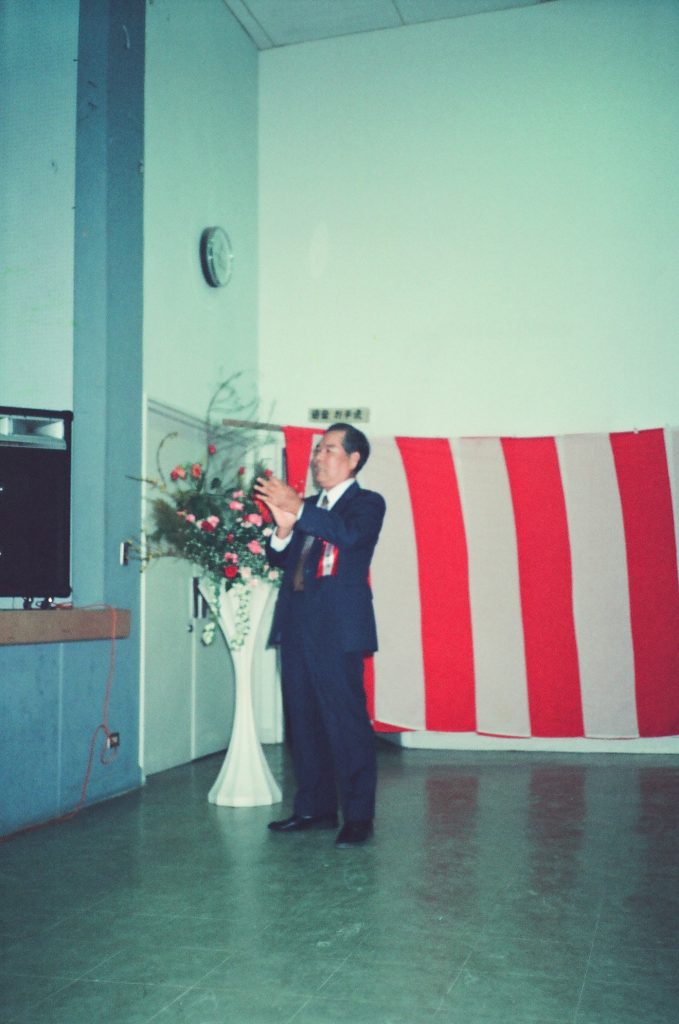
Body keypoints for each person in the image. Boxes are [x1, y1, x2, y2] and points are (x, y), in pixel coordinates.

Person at [254, 423, 386, 848]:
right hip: (297, 625)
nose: (317, 458)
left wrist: (298, 509)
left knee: (346, 723)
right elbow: (280, 560)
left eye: (329, 449)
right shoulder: (307, 507)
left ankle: (359, 817)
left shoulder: (367, 504)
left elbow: (348, 536)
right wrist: (283, 528)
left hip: (338, 629)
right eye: (316, 450)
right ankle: (315, 808)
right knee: (303, 721)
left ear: (353, 459)